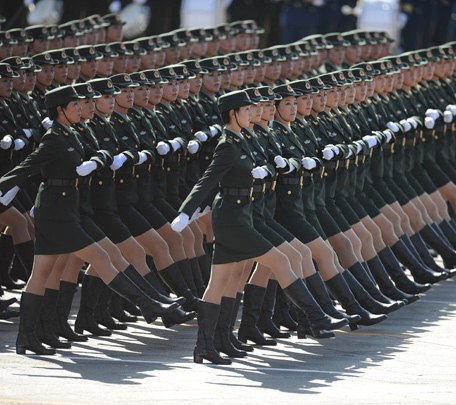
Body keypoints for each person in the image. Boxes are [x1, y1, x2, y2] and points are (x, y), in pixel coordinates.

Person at [172, 90, 348, 364]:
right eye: (247, 110)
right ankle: (317, 317)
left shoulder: (245, 138)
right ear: (233, 114)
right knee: (280, 260)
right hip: (232, 219)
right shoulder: (227, 144)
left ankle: (210, 343)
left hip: (244, 215)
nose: (252, 113)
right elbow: (208, 179)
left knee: (222, 281)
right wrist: (186, 211)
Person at [0, 85, 179, 355]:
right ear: (60, 109)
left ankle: (33, 335)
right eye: (74, 104)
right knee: (100, 257)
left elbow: (92, 153)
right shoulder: (54, 137)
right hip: (56, 212)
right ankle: (148, 305)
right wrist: (5, 186)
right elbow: (29, 166)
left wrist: (98, 159)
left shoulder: (70, 133)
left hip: (64, 208)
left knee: (43, 273)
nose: (81, 108)